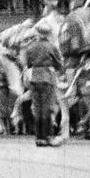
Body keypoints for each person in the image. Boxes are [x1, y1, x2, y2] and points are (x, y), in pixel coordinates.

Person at [22, 18, 63, 146]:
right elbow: (58, 64)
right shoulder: (51, 46)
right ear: (48, 34)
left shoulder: (31, 47)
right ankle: (47, 136)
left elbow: (28, 64)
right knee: (46, 108)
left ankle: (38, 137)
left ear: (38, 33)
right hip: (47, 78)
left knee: (37, 108)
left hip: (34, 78)